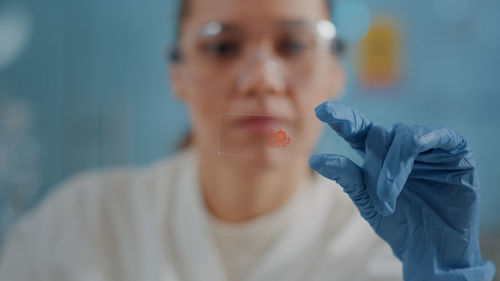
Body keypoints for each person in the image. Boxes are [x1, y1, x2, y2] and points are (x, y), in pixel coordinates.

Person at [0, 0, 496, 280]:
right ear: (177, 72)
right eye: (222, 46)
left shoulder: (386, 251)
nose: (261, 79)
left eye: (294, 44)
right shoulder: (77, 223)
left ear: (336, 72)